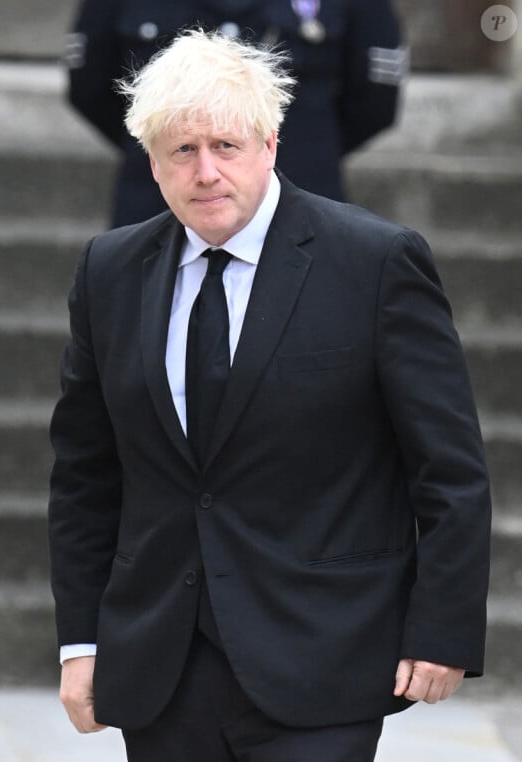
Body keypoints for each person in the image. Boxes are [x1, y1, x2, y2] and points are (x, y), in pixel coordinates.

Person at [49, 29, 491, 762]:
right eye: (181, 151)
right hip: (163, 663)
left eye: (226, 146)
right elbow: (85, 476)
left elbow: (448, 469)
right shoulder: (110, 270)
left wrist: (441, 629)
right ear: (151, 163)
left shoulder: (375, 262)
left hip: (327, 653)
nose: (206, 172)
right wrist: (81, 642)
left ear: (270, 146)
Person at [65, 0, 406, 227]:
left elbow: (374, 100)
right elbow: (91, 86)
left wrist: (268, 151)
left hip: (300, 209)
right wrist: (168, 151)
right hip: (157, 211)